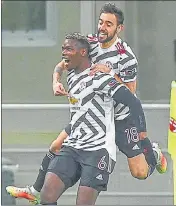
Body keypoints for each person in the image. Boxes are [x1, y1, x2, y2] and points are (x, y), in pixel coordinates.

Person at [6, 3, 167, 204]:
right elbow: (62, 64)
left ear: (119, 29)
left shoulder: (126, 57)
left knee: (139, 172)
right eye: (101, 22)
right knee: (57, 144)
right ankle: (37, 191)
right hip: (91, 113)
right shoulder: (89, 44)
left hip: (119, 118)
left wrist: (110, 75)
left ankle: (153, 154)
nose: (102, 27)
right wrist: (56, 81)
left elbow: (130, 93)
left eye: (109, 24)